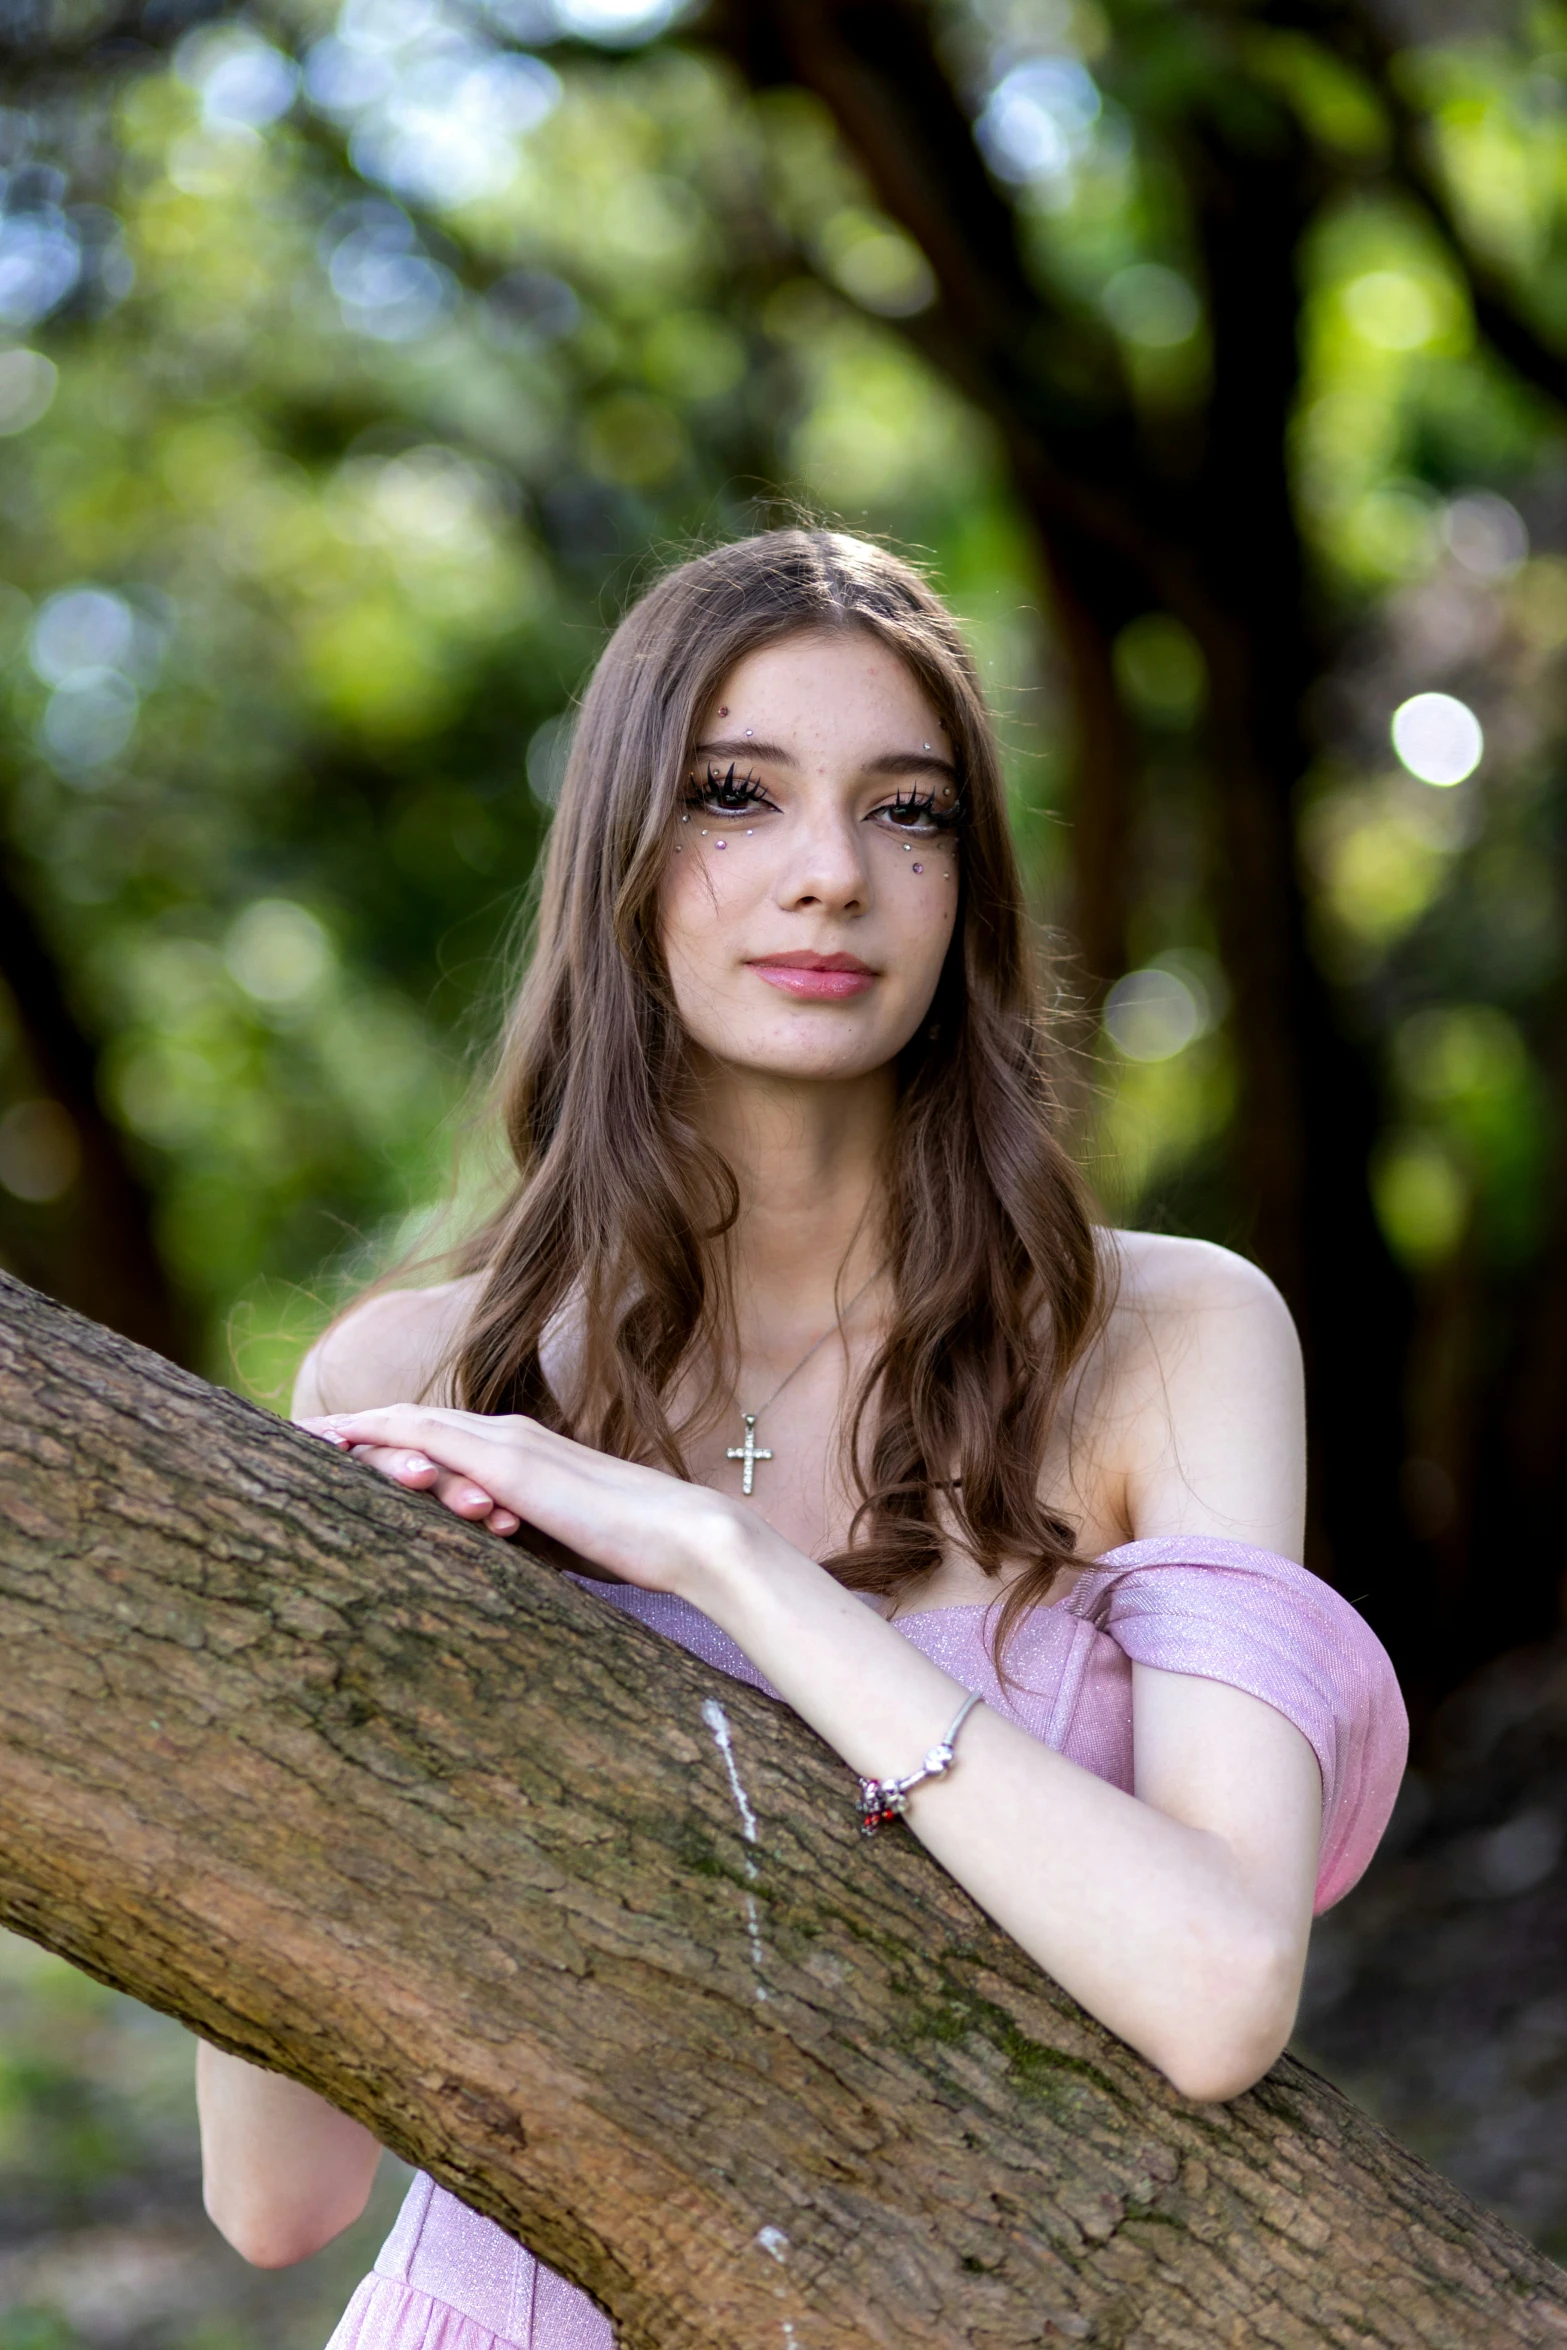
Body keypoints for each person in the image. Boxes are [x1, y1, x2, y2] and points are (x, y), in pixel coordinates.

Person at [193, 529, 1408, 2349]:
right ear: (623, 853)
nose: (829, 874)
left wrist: (726, 1562)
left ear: (967, 887)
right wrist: (293, 1676)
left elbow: (1220, 1989)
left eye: (905, 811)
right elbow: (277, 2196)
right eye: (734, 794)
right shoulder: (424, 1370)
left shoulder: (1166, 1335)